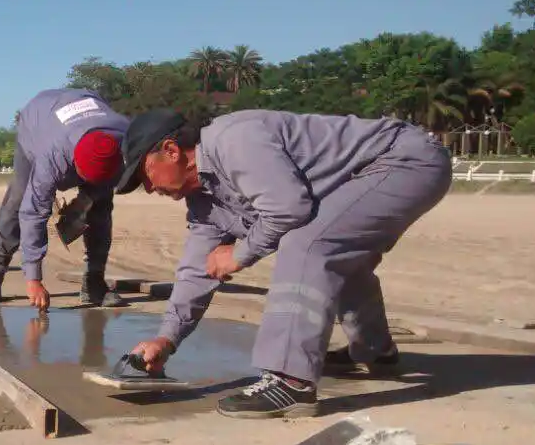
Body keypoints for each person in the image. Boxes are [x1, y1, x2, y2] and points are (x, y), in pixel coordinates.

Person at [117, 108, 452, 419]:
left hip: (404, 161)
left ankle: (291, 382)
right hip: (373, 172)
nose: (148, 189)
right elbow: (196, 271)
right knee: (333, 249)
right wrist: (166, 339)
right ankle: (375, 351)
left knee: (308, 245)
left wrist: (240, 254)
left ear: (172, 151)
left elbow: (289, 210)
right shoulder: (203, 201)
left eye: (144, 175)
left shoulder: (233, 140)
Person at [0, 88, 131, 311]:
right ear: (73, 166)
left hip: (86, 123)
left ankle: (94, 281)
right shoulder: (53, 156)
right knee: (18, 201)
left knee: (101, 204)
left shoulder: (126, 135)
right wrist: (33, 280)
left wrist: (88, 199)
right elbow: (33, 212)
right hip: (36, 122)